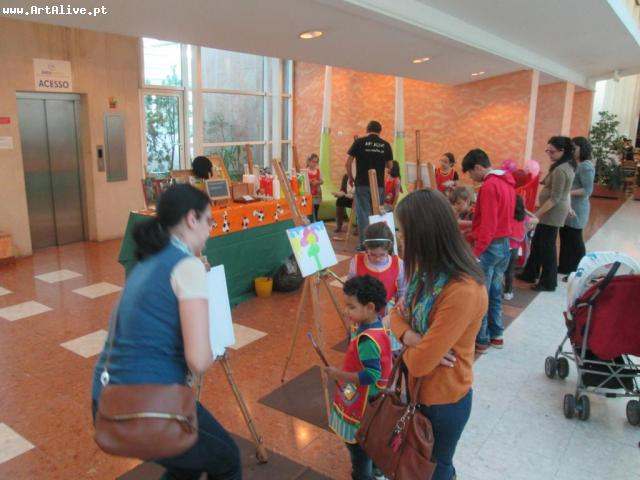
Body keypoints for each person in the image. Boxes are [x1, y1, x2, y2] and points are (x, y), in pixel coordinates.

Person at [91, 184, 241, 480]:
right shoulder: (187, 266)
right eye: (209, 221)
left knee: (187, 466)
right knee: (227, 459)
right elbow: (199, 360)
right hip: (147, 406)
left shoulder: (147, 262)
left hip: (105, 399)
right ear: (191, 219)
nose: (210, 231)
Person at [390, 189, 488, 480]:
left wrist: (410, 342)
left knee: (435, 468)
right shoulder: (427, 271)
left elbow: (419, 363)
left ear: (422, 235)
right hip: (417, 391)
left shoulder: (462, 291)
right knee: (418, 462)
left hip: (443, 399)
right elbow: (394, 314)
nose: (399, 238)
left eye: (402, 231)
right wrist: (413, 338)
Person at [326, 275, 393, 480]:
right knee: (370, 438)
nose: (346, 311)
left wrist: (338, 374)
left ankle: (363, 475)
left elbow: (371, 375)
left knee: (358, 445)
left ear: (370, 307)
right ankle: (376, 468)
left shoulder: (367, 340)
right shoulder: (374, 325)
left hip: (363, 400)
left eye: (351, 307)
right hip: (365, 395)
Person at [461, 149, 515, 353]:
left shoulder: (489, 186)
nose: (471, 177)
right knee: (495, 292)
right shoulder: (506, 182)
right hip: (504, 245)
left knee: (481, 294)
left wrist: (476, 252)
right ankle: (497, 335)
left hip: (489, 247)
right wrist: (472, 233)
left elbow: (489, 225)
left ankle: (481, 339)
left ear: (478, 167)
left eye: (470, 173)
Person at [518, 136, 576, 292]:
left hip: (553, 212)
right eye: (547, 151)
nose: (549, 154)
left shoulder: (561, 170)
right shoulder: (562, 166)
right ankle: (530, 273)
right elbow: (560, 189)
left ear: (562, 151)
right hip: (551, 211)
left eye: (552, 151)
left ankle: (548, 282)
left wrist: (536, 215)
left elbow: (555, 198)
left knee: (547, 247)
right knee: (538, 242)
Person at [347, 221, 406, 353]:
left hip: (388, 315)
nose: (378, 259)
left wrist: (402, 300)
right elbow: (350, 289)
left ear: (389, 249)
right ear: (366, 247)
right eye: (372, 254)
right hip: (363, 313)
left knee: (386, 350)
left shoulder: (398, 264)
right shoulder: (356, 262)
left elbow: (403, 291)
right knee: (364, 349)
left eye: (382, 254)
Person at [346, 121, 394, 251]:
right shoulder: (385, 145)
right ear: (380, 131)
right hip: (378, 185)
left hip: (361, 183)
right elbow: (390, 166)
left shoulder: (359, 142)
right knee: (378, 213)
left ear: (367, 130)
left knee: (363, 214)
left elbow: (348, 163)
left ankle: (364, 244)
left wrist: (350, 177)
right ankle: (378, 244)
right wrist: (379, 161)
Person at [558, 136, 595, 279]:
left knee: (575, 240)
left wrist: (567, 192)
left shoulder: (586, 166)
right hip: (569, 206)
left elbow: (587, 190)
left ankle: (580, 270)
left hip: (578, 208)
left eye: (575, 147)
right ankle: (565, 267)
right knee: (565, 236)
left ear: (582, 148)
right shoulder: (575, 163)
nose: (572, 150)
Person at [503, 196, 538, 301]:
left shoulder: (507, 216)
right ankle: (508, 292)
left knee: (499, 270)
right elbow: (537, 220)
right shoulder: (524, 218)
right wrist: (526, 211)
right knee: (510, 271)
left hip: (503, 247)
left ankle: (495, 290)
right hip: (514, 250)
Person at [307, 153, 323, 221]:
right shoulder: (306, 171)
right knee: (309, 210)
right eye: (313, 161)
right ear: (309, 161)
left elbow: (322, 181)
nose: (314, 164)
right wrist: (309, 181)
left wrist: (317, 182)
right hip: (309, 194)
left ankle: (315, 221)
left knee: (316, 209)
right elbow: (304, 181)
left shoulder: (318, 171)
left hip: (317, 194)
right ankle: (310, 221)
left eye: (316, 162)